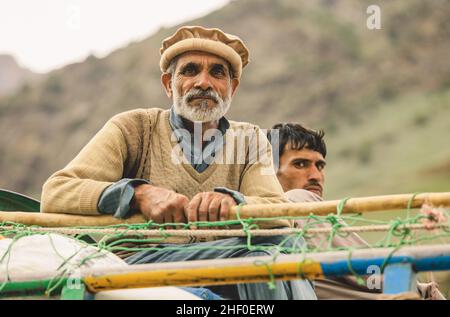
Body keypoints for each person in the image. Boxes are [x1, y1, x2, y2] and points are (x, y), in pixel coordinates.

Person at [41, 26, 316, 300]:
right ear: (167, 84)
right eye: (190, 70)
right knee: (267, 258)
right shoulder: (134, 128)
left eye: (217, 72)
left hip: (226, 262)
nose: (203, 83)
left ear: (232, 87)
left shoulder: (250, 139)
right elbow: (57, 192)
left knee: (284, 245)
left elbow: (278, 216)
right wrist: (137, 194)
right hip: (142, 264)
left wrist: (234, 203)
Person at [267, 123, 445, 300]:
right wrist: (420, 289)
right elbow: (377, 274)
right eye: (300, 164)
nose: (316, 176)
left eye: (320, 166)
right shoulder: (297, 200)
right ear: (269, 172)